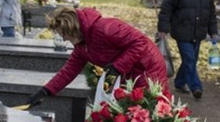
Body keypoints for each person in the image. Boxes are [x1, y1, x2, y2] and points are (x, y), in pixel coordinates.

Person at [26, 6, 169, 108]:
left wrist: (118, 67)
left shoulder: (106, 28)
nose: (63, 39)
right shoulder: (82, 46)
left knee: (149, 109)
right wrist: (46, 91)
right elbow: (69, 71)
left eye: (64, 34)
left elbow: (140, 42)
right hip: (128, 72)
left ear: (72, 27)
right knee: (128, 111)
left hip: (147, 67)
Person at [157, 0, 218, 99]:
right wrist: (163, 28)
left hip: (199, 32)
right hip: (182, 31)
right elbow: (166, 8)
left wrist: (213, 31)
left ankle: (179, 82)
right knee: (190, 59)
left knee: (190, 61)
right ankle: (196, 87)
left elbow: (211, 12)